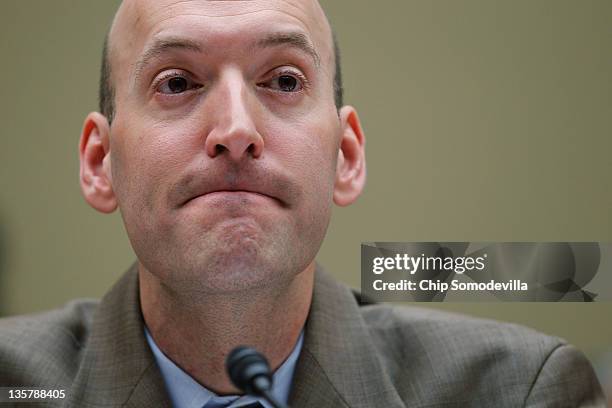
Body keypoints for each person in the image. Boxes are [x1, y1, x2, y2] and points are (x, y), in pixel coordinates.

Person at [0, 1, 605, 407]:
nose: (235, 129)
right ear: (100, 162)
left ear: (346, 155)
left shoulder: (520, 390)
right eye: (178, 82)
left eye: (284, 81)